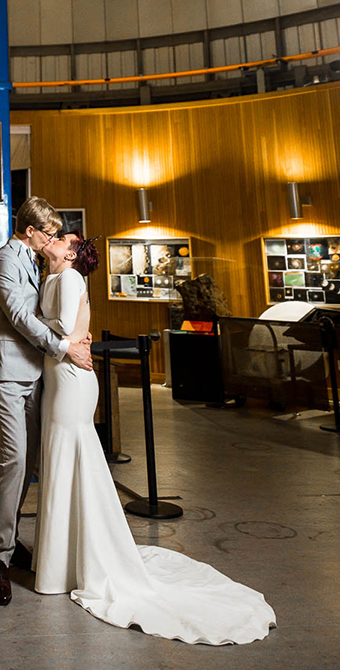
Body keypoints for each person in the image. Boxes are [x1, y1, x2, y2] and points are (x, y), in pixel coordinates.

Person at [34, 232, 276, 645]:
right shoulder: (52, 278)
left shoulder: (70, 279)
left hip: (71, 378)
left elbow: (56, 329)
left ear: (72, 254)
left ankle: (74, 562)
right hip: (60, 373)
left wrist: (51, 333)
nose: (53, 239)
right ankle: (62, 562)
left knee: (71, 456)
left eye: (62, 238)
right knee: (62, 460)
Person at [0, 197, 93, 607]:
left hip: (37, 374)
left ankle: (9, 543)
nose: (52, 240)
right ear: (29, 232)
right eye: (48, 233)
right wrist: (65, 345)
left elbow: (44, 312)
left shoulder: (35, 262)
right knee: (13, 460)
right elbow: (20, 319)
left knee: (29, 464)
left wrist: (77, 334)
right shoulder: (4, 261)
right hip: (7, 375)